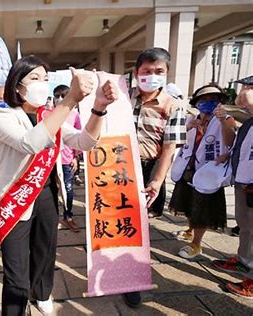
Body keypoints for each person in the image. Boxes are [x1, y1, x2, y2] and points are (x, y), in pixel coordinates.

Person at [0, 55, 117, 315]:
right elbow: (30, 143)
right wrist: (71, 100)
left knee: (45, 251)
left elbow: (83, 142)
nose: (42, 84)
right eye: (34, 78)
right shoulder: (2, 116)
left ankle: (42, 293)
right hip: (16, 198)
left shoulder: (50, 115)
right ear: (16, 86)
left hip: (46, 194)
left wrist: (98, 107)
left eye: (45, 79)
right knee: (16, 271)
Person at [124, 47, 187, 308]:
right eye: (146, 71)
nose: (152, 76)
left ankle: (133, 280)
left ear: (166, 74)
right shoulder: (124, 98)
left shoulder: (173, 106)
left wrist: (157, 181)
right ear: (136, 73)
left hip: (150, 168)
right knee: (121, 220)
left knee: (141, 228)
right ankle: (120, 270)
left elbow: (170, 149)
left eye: (158, 72)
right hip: (121, 166)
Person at [169, 84, 236, 259]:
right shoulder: (191, 118)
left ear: (220, 102)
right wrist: (188, 127)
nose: (208, 103)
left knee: (202, 209)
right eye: (204, 100)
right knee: (189, 204)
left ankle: (196, 244)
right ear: (197, 103)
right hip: (188, 168)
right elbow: (176, 141)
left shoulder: (226, 119)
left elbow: (231, 142)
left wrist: (221, 121)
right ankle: (190, 231)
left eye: (213, 99)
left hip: (209, 172)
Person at [212, 75, 253, 299]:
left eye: (247, 88)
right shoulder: (248, 121)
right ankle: (244, 260)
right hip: (244, 183)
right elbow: (237, 143)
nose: (244, 93)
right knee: (245, 226)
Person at [53, 84, 82, 232]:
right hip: (50, 159)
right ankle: (52, 217)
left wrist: (76, 157)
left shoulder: (75, 115)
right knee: (51, 190)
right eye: (56, 95)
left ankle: (68, 216)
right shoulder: (48, 113)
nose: (59, 99)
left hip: (66, 159)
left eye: (63, 96)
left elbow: (78, 137)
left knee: (68, 189)